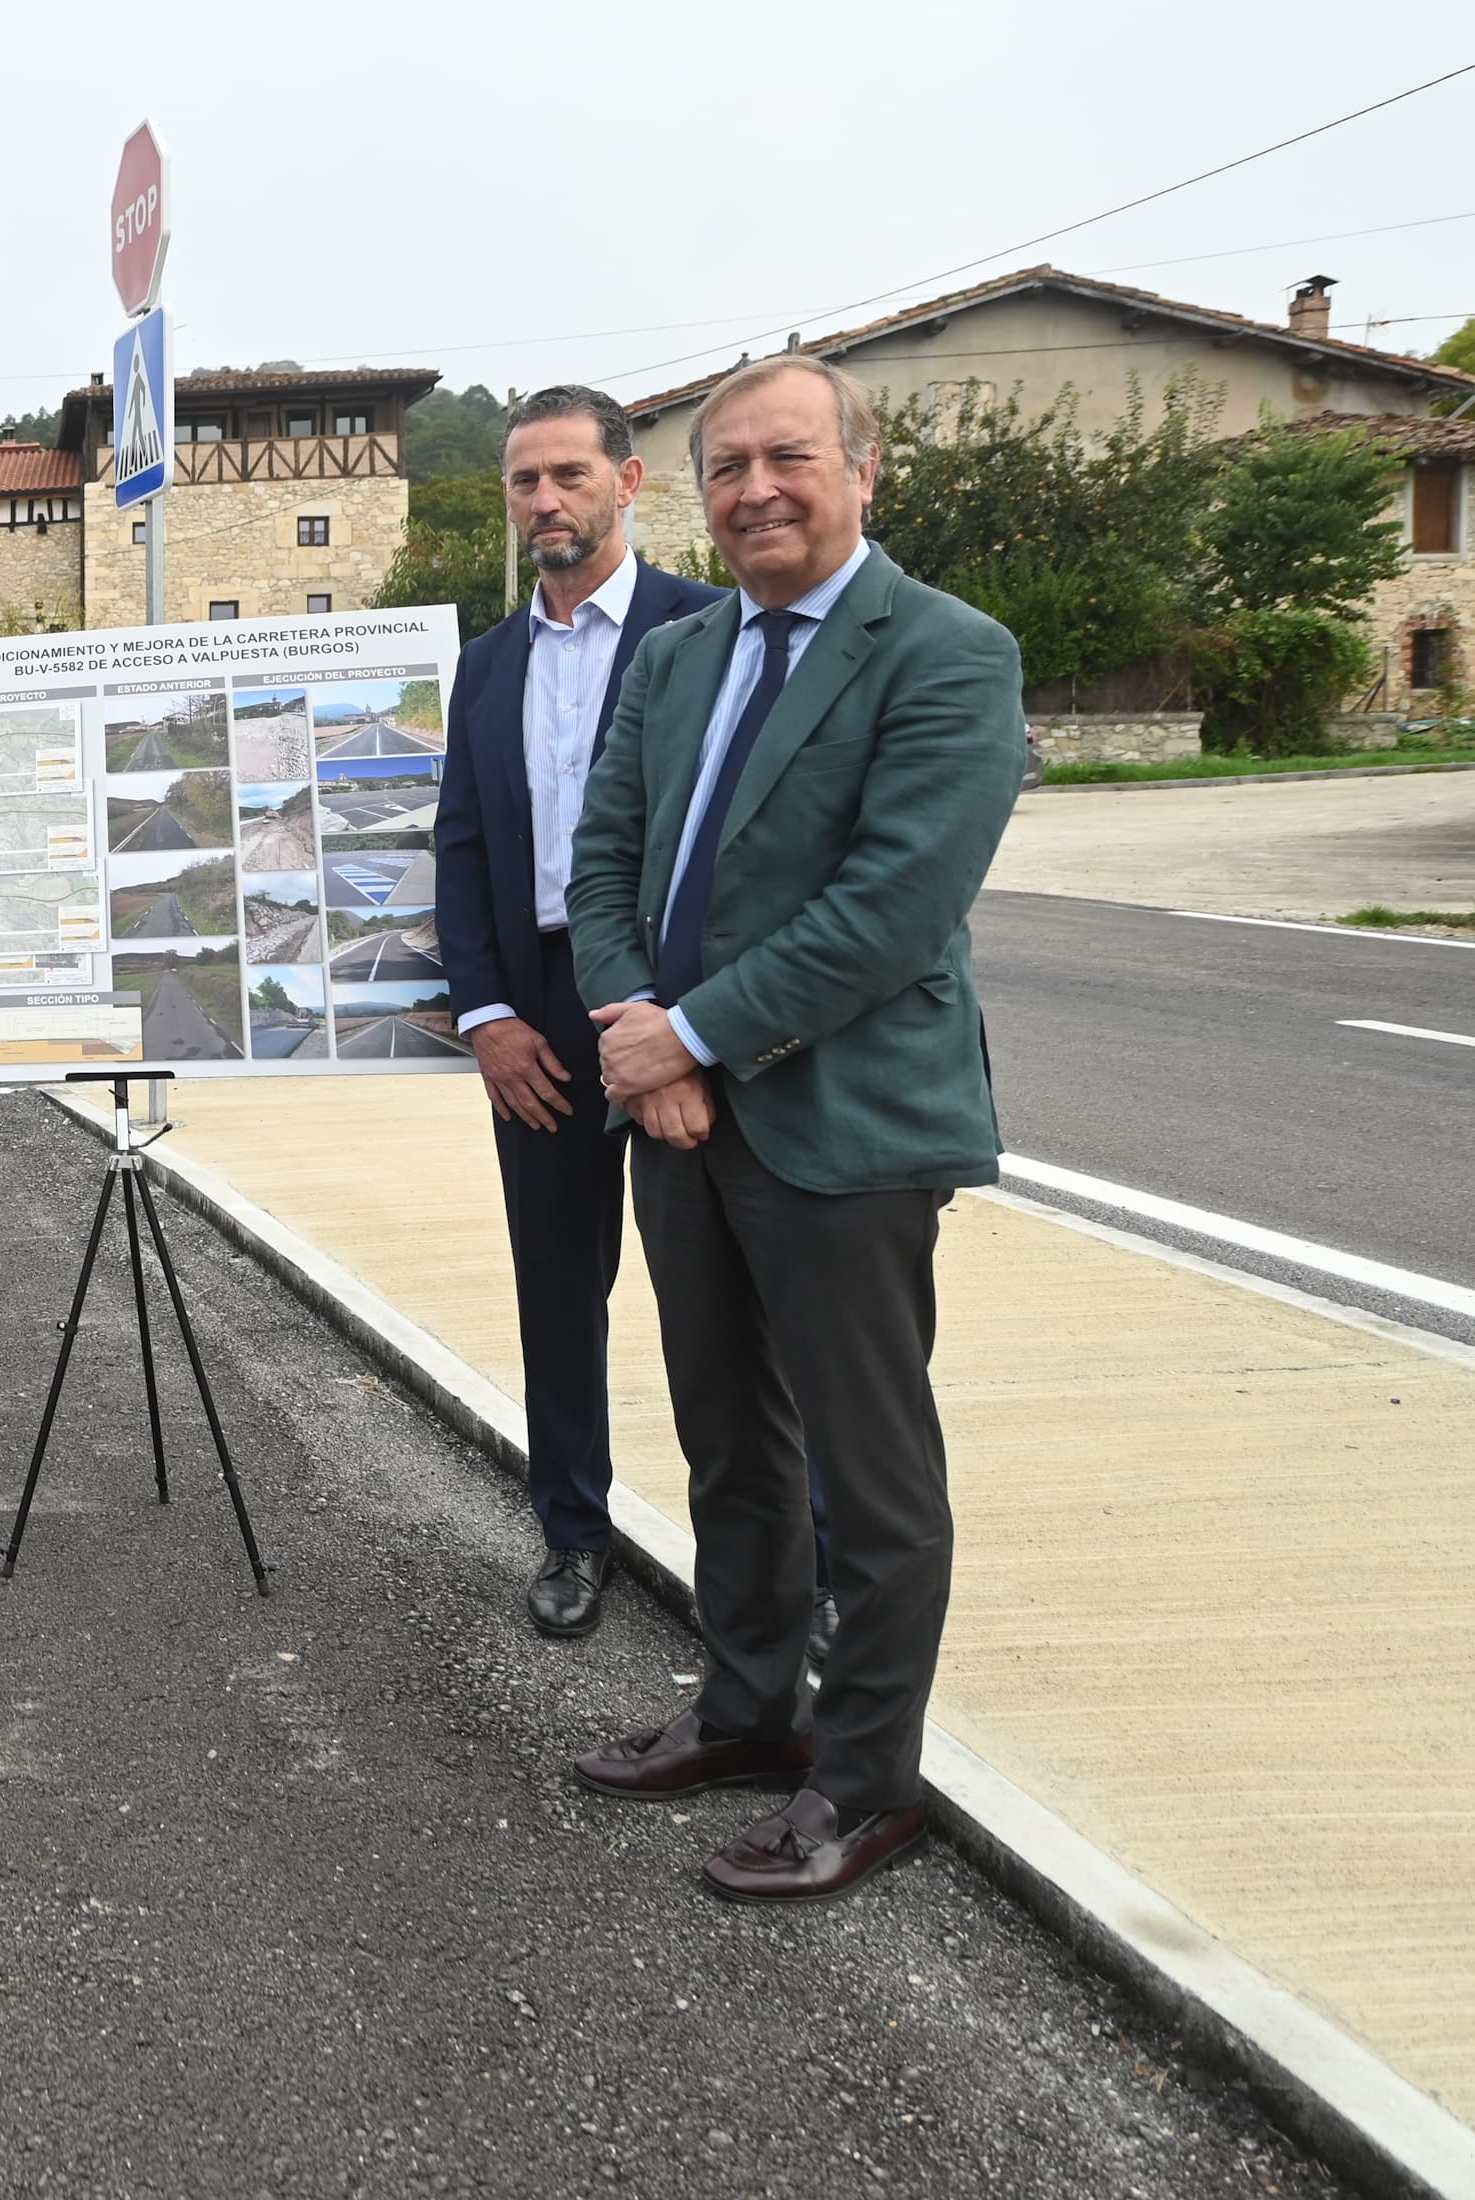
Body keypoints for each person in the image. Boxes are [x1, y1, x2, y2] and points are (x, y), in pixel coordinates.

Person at [562, 356, 1026, 1903]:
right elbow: (607, 862)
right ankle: (749, 1710)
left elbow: (892, 910)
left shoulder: (950, 656)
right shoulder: (678, 656)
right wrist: (646, 1046)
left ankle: (866, 1782)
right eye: (731, 466)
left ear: (865, 468)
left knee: (869, 1474)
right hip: (683, 1121)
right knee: (728, 1445)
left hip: (842, 1125)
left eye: (789, 457)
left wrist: (689, 1035)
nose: (758, 488)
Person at [433, 385, 723, 1640]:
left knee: (721, 1295)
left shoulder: (708, 628)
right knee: (558, 1288)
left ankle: (775, 1565)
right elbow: (457, 846)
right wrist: (489, 1012)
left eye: (566, 475)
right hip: (534, 1014)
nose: (544, 501)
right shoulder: (489, 664)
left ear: (628, 481)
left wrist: (684, 1021)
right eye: (522, 481)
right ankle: (571, 1532)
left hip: (671, 1004)